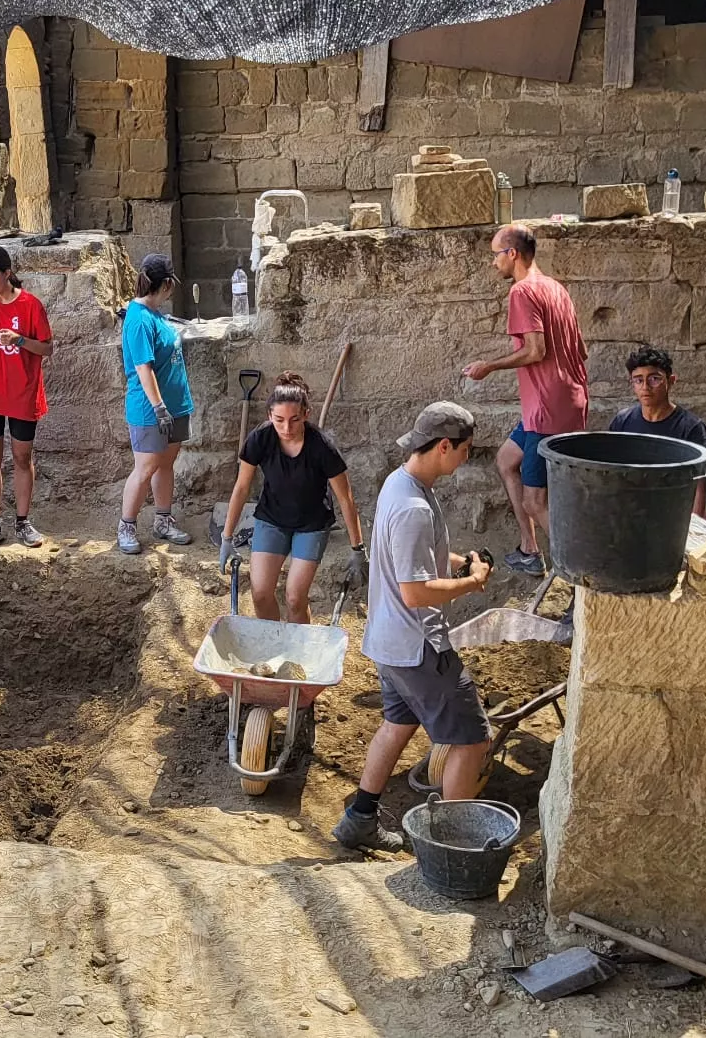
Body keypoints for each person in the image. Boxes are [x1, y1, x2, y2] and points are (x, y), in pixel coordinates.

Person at [333, 402, 495, 853]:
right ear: (444, 446)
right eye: (465, 450)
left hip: (389, 642)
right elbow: (416, 591)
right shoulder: (412, 508)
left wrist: (461, 560)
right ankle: (451, 847)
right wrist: (471, 582)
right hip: (418, 646)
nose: (466, 458)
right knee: (471, 741)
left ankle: (359, 819)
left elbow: (414, 555)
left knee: (396, 725)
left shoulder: (399, 484)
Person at [461, 224, 588, 576]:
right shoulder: (556, 289)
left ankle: (580, 576)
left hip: (548, 412)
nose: (493, 262)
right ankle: (530, 549)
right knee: (506, 461)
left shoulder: (523, 292)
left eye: (495, 254)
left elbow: (536, 350)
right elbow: (581, 350)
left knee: (536, 500)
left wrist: (489, 366)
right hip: (561, 405)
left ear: (512, 254)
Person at [219, 372, 366, 623]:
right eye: (279, 420)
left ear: (306, 414)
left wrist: (358, 549)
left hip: (311, 525)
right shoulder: (260, 438)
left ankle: (298, 654)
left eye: (294, 420)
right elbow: (242, 487)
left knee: (295, 597)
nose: (286, 428)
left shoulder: (321, 446)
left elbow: (346, 498)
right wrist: (227, 537)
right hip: (271, 519)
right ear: (269, 416)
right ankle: (274, 648)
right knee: (260, 593)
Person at [0, 244, 55, 550]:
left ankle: (23, 521)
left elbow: (47, 347)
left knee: (21, 456)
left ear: (7, 274)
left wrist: (20, 340)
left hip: (22, 392)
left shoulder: (31, 305)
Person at [118, 254, 195, 555]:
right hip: (151, 409)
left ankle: (163, 520)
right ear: (166, 284)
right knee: (146, 467)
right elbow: (143, 368)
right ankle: (126, 525)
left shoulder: (155, 314)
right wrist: (159, 408)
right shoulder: (138, 319)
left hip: (176, 405)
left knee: (165, 463)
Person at [608, 344, 706, 517]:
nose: (645, 387)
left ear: (671, 381)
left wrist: (695, 529)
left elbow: (699, 488)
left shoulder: (691, 427)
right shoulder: (622, 422)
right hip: (629, 514)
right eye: (638, 380)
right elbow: (611, 476)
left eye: (654, 379)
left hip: (672, 516)